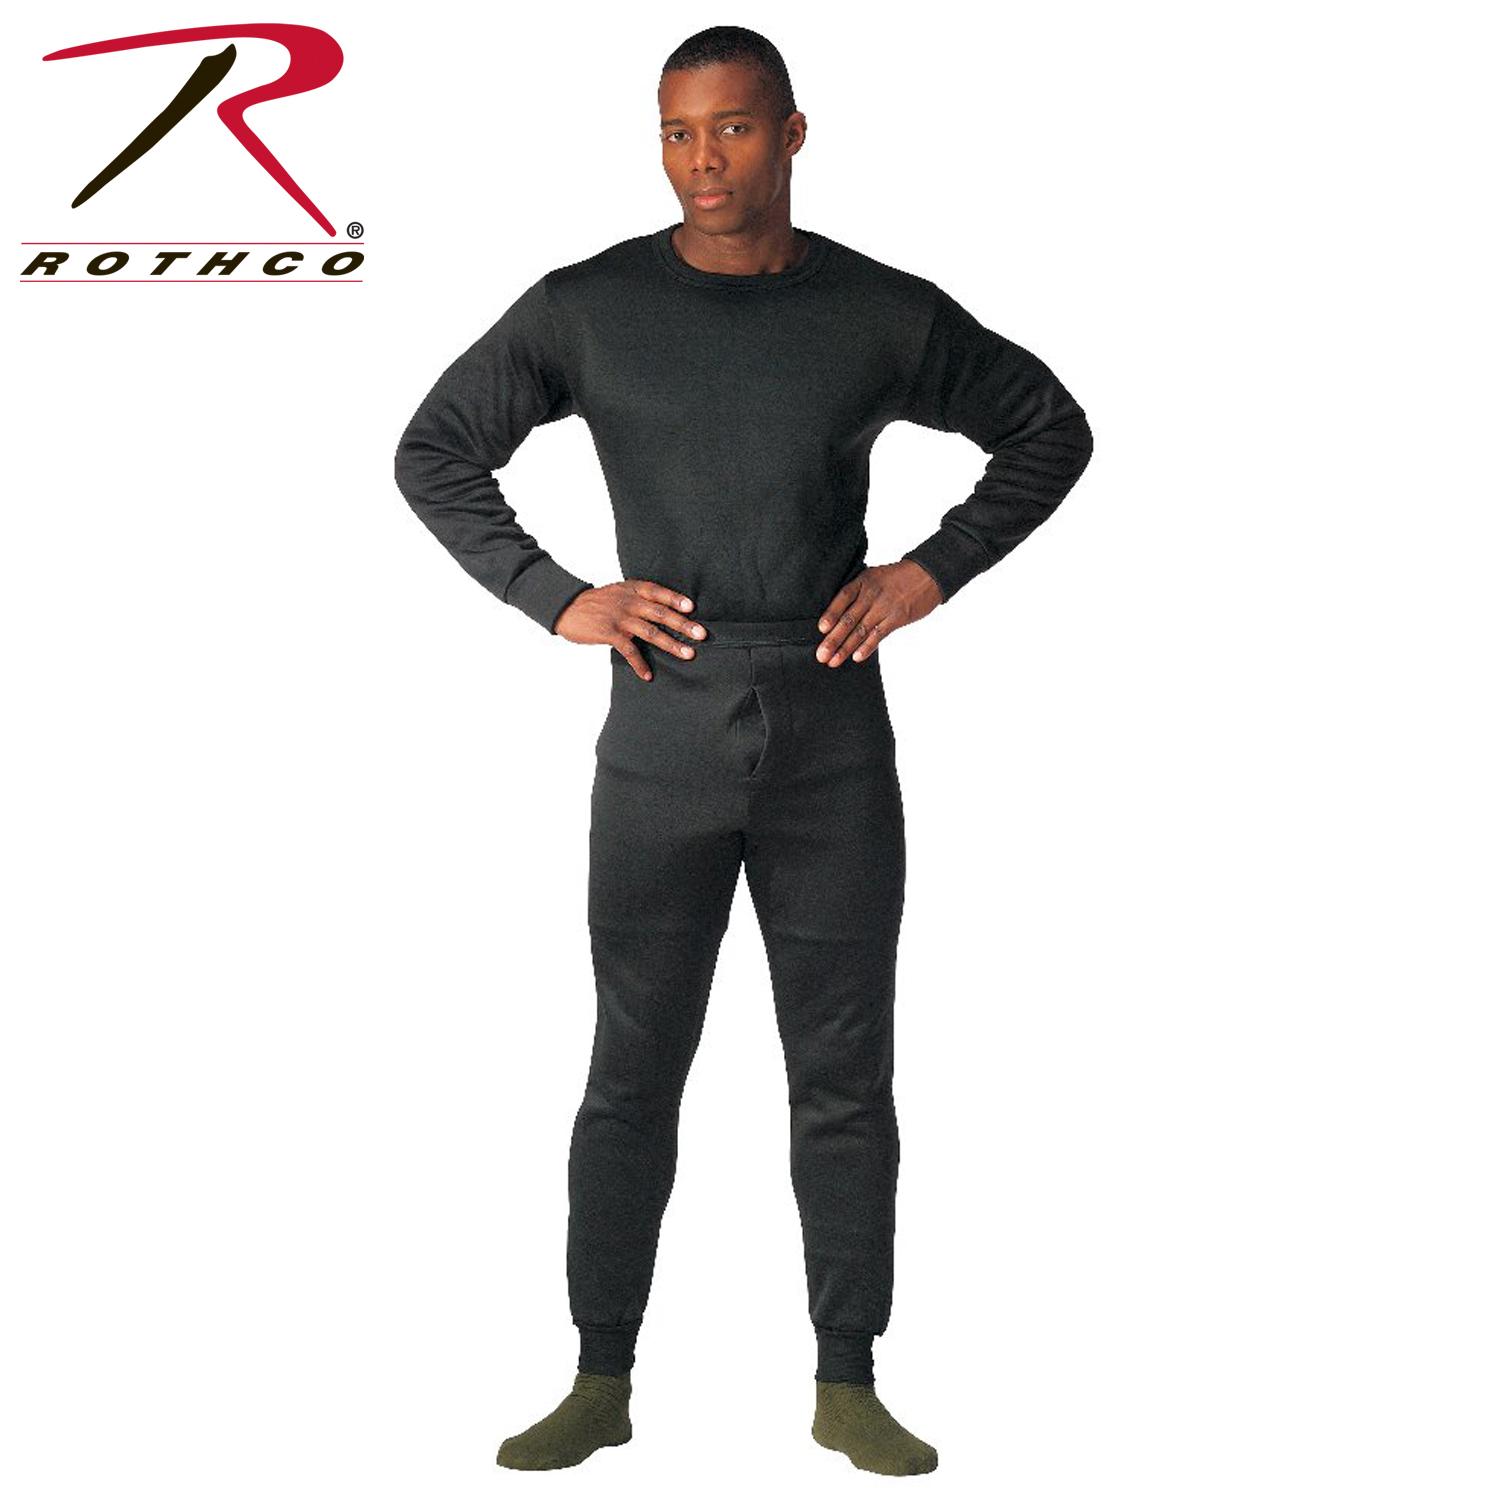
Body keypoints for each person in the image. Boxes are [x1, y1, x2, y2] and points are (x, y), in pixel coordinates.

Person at [393, 24, 1092, 1477]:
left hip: (832, 730)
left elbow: (1048, 427)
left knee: (844, 1071)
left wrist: (931, 572)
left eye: (730, 128)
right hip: (661, 729)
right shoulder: (587, 308)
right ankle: (599, 1377)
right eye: (676, 131)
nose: (701, 160)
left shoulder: (879, 311)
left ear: (791, 134)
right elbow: (435, 450)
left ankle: (848, 1381)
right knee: (632, 1068)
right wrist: (556, 595)